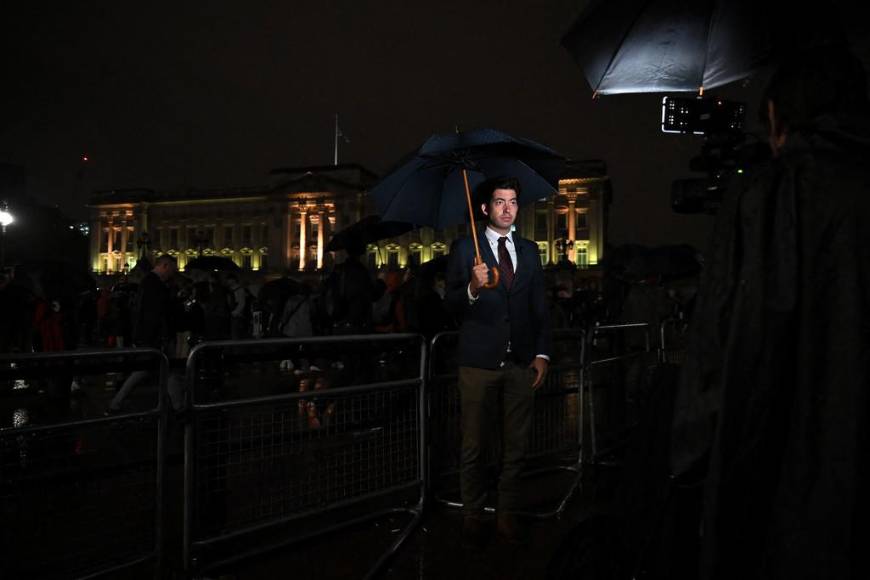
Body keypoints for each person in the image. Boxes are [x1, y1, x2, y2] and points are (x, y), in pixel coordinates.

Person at [670, 43, 870, 579]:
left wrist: (691, 472)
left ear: (780, 118)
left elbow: (720, 356)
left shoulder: (771, 197)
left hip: (780, 494)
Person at [445, 176, 552, 548]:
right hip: (477, 363)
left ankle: (506, 514)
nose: (507, 208)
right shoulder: (464, 250)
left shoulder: (531, 250)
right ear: (485, 209)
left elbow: (539, 307)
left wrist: (542, 353)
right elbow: (450, 306)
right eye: (499, 202)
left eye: (513, 202)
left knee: (516, 445)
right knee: (473, 444)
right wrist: (472, 287)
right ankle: (472, 513)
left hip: (521, 363)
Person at [108, 255, 177, 413]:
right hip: (154, 337)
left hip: (152, 336)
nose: (173, 272)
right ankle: (116, 403)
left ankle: (174, 404)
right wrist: (157, 336)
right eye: (172, 268)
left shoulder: (150, 283)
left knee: (166, 371)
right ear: (165, 266)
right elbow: (153, 314)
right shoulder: (154, 284)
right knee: (151, 371)